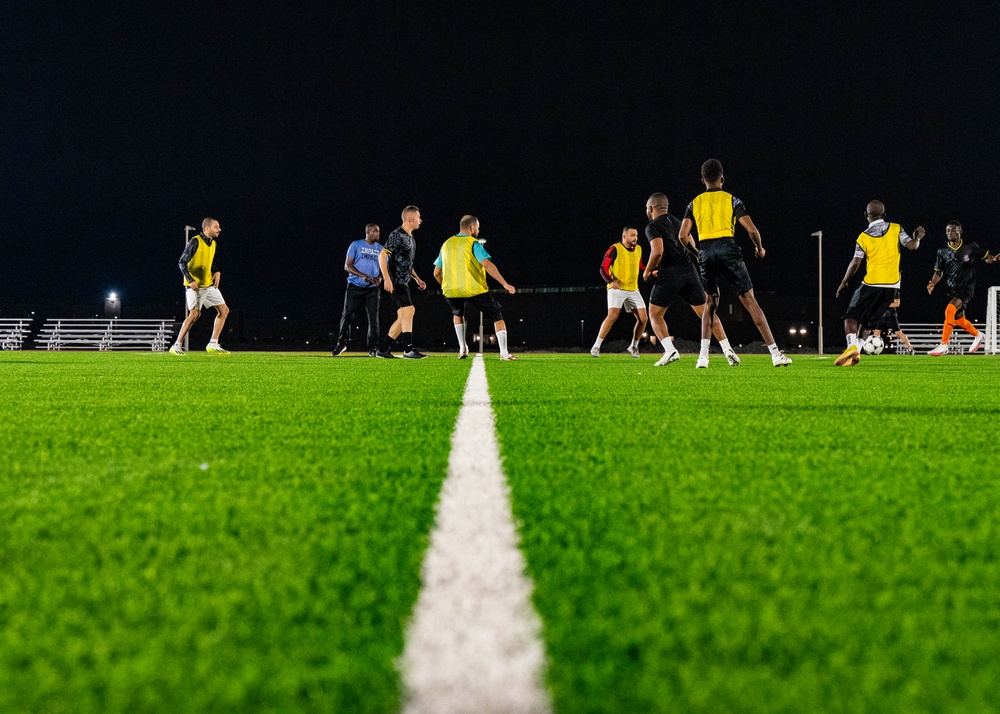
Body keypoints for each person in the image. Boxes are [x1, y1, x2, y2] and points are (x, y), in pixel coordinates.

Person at [678, 160, 792, 368]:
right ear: (722, 178)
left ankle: (703, 357)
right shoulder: (732, 200)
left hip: (706, 249)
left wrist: (697, 254)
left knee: (710, 304)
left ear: (702, 179)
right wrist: (759, 248)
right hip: (728, 248)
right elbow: (752, 230)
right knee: (749, 301)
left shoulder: (693, 203)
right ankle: (775, 354)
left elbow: (683, 236)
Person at [643, 192, 741, 367]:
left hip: (669, 274)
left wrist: (648, 271)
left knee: (654, 314)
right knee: (707, 313)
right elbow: (692, 245)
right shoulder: (679, 222)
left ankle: (670, 350)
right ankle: (728, 350)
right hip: (690, 272)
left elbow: (657, 251)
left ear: (650, 208)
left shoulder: (652, 227)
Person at [835, 200, 924, 366]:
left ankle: (850, 347)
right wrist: (917, 238)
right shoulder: (897, 228)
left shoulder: (863, 237)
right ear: (884, 215)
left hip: (872, 283)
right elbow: (912, 246)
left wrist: (844, 281)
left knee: (850, 316)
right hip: (892, 287)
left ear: (865, 215)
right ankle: (857, 354)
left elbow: (855, 263)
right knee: (869, 322)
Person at [433, 215, 517, 361]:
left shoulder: (446, 244)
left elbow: (436, 273)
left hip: (451, 291)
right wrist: (505, 284)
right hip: (473, 289)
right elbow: (486, 264)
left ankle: (463, 349)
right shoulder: (473, 243)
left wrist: (445, 286)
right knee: (497, 314)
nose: (478, 230)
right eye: (477, 227)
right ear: (472, 228)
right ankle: (504, 353)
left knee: (458, 314)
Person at [926, 221, 997, 355]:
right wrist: (933, 283)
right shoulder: (942, 251)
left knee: (949, 310)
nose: (950, 233)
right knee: (959, 320)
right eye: (947, 230)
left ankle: (944, 345)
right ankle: (978, 335)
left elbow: (986, 258)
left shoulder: (970, 246)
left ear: (960, 231)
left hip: (967, 288)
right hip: (952, 289)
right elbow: (938, 271)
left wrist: (994, 259)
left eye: (953, 230)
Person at [169, 217, 230, 355]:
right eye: (216, 226)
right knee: (195, 315)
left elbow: (209, 261)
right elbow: (182, 262)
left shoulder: (213, 243)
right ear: (207, 228)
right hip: (195, 287)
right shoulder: (195, 241)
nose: (219, 229)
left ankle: (213, 344)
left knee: (224, 310)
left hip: (208, 285)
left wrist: (217, 271)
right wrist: (190, 280)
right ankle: (176, 345)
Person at [375, 205, 428, 359]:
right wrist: (387, 279)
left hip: (404, 282)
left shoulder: (410, 237)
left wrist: (417, 278)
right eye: (418, 217)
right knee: (409, 311)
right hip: (396, 282)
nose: (421, 220)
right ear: (410, 219)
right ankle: (408, 349)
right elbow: (382, 255)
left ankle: (383, 350)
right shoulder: (397, 234)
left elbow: (406, 262)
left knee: (402, 317)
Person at [590, 227, 647, 358]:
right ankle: (596, 346)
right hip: (617, 289)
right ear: (624, 236)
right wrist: (610, 282)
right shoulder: (615, 248)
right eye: (632, 235)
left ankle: (633, 346)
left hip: (633, 289)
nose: (635, 238)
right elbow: (603, 268)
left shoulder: (638, 249)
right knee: (612, 316)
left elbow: (639, 265)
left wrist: (649, 271)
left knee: (643, 319)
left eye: (636, 235)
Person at [333, 223, 383, 357]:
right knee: (347, 315)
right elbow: (347, 266)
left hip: (372, 289)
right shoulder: (356, 245)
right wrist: (362, 275)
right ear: (368, 232)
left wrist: (379, 278)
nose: (378, 233)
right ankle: (341, 344)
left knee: (374, 319)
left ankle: (373, 348)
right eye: (375, 231)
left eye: (379, 231)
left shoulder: (381, 249)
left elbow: (385, 269)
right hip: (354, 287)